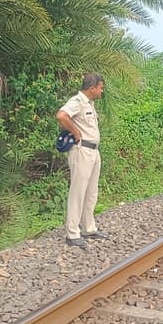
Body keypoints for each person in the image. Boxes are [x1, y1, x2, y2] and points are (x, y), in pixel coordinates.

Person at [56, 73, 108, 248]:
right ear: (92, 88)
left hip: (93, 151)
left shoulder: (90, 104)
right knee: (78, 192)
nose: (102, 91)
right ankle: (72, 233)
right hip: (81, 151)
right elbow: (61, 116)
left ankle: (88, 228)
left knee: (91, 192)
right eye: (100, 88)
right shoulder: (77, 102)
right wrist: (76, 133)